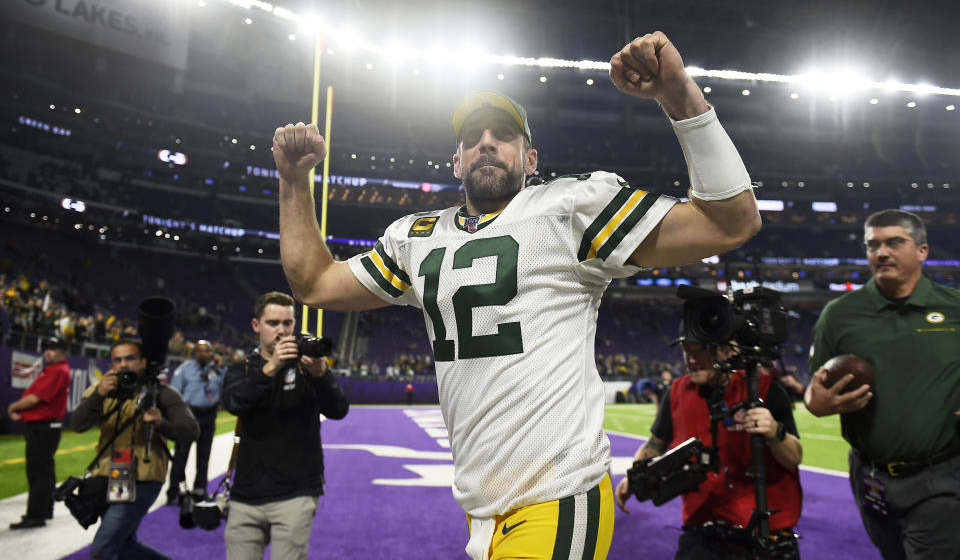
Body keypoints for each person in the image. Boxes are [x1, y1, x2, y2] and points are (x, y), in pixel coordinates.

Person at [272, 31, 762, 560]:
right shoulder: (416, 238)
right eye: (472, 136)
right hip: (480, 504)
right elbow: (314, 283)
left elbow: (730, 221)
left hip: (557, 492)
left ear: (531, 159)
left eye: (503, 133)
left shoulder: (571, 207)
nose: (486, 141)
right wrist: (295, 181)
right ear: (456, 162)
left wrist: (678, 94)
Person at [805, 209, 960, 560]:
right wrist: (820, 404)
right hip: (870, 477)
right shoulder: (841, 313)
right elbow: (813, 393)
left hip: (941, 474)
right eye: (872, 245)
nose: (882, 253)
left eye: (894, 243)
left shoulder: (954, 309)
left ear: (922, 250)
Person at [615, 328, 803, 559]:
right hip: (702, 535)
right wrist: (633, 476)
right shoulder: (677, 392)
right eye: (686, 352)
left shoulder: (763, 389)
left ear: (726, 351)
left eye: (699, 352)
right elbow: (655, 445)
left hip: (765, 534)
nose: (691, 360)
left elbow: (794, 457)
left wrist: (775, 433)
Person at [221, 292, 349, 560]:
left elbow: (338, 410)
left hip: (296, 492)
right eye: (273, 323)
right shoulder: (242, 368)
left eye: (287, 323)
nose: (281, 331)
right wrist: (272, 366)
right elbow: (234, 402)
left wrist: (322, 375)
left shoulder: (308, 368)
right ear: (256, 326)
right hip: (246, 494)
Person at [71, 340, 199, 560]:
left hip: (143, 476)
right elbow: (78, 424)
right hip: (109, 474)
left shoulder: (162, 393)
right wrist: (98, 394)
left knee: (103, 549)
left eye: (129, 358)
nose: (123, 364)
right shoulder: (102, 390)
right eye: (117, 360)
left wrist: (161, 423)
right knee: (124, 546)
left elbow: (191, 431)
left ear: (143, 362)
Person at [7, 337, 71, 529]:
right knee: (45, 470)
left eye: (53, 349)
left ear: (62, 352)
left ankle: (36, 515)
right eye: (46, 348)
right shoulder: (55, 370)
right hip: (46, 426)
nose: (47, 352)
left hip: (43, 427)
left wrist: (14, 407)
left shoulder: (58, 371)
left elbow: (35, 398)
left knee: (38, 472)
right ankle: (44, 509)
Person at [166, 339, 225, 505]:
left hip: (209, 416)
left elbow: (228, 386)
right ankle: (174, 492)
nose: (203, 353)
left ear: (212, 353)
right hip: (188, 416)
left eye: (206, 350)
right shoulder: (184, 369)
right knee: (181, 456)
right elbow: (174, 394)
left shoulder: (217, 370)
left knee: (204, 456)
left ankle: (200, 490)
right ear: (194, 353)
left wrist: (222, 367)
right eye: (199, 350)